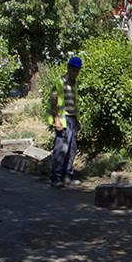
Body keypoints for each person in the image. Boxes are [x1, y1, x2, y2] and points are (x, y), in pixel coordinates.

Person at [48, 56, 82, 188]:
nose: (75, 72)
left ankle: (67, 176)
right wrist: (56, 120)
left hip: (72, 119)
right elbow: (53, 101)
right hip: (63, 119)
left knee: (72, 149)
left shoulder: (74, 84)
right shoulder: (60, 82)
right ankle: (55, 177)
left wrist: (77, 121)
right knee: (61, 149)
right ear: (68, 68)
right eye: (73, 69)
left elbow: (74, 104)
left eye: (77, 70)